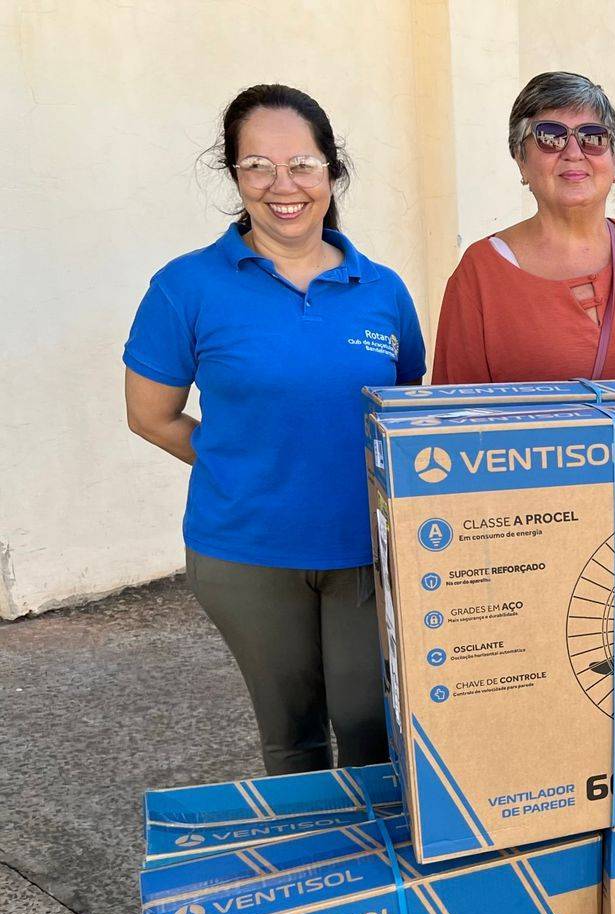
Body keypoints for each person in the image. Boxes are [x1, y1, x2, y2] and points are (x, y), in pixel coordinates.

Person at [124, 84, 425, 774]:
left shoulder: (381, 290)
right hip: (247, 553)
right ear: (234, 174)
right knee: (292, 740)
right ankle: (309, 877)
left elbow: (401, 409)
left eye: (303, 164)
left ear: (331, 171)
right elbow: (150, 415)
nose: (281, 185)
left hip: (365, 549)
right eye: (257, 165)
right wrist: (241, 461)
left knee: (372, 730)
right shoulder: (187, 287)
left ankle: (370, 878)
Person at [433, 72, 615, 383]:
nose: (573, 153)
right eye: (550, 136)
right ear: (520, 158)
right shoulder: (480, 273)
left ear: (614, 159)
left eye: (593, 137)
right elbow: (456, 416)